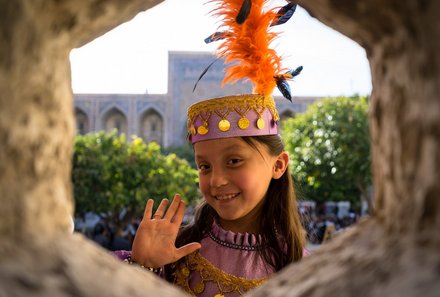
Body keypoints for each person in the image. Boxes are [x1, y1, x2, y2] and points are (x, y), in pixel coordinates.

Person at [114, 0, 307, 296]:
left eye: (233, 161)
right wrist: (144, 268)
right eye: (204, 166)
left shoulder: (302, 268)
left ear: (278, 165)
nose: (215, 180)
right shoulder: (175, 254)